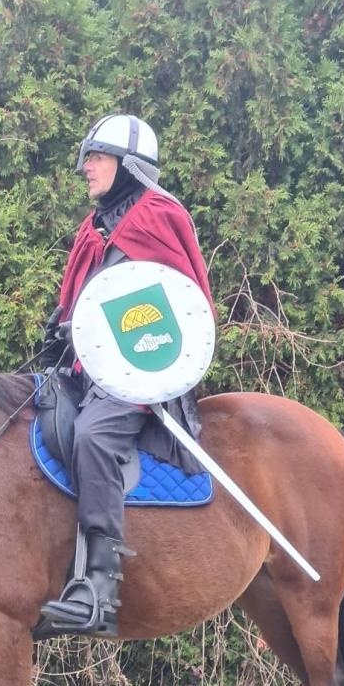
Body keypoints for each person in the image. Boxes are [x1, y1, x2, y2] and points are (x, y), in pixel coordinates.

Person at [37, 113, 214, 638]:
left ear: (128, 165)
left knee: (92, 435)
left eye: (96, 157)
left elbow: (177, 310)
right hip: (85, 371)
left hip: (136, 377)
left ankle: (99, 587)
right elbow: (86, 302)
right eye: (87, 157)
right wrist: (59, 328)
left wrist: (134, 357)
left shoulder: (157, 216)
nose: (85, 167)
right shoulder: (95, 228)